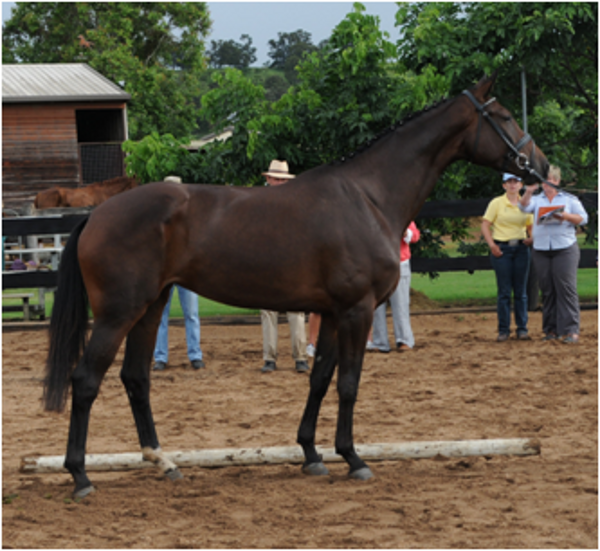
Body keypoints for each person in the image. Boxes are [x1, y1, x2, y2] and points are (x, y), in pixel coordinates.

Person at [519, 165, 588, 344]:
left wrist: (565, 216)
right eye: (544, 180)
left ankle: (571, 330)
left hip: (565, 248)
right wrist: (528, 191)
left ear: (557, 181)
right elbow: (523, 207)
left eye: (550, 180)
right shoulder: (536, 199)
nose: (547, 184)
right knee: (547, 289)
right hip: (541, 249)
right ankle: (551, 329)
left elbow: (583, 218)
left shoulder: (569, 199)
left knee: (566, 288)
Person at [260, 160, 310, 373]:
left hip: (291, 263)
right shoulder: (260, 204)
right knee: (267, 311)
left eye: (282, 179)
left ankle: (300, 356)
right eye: (276, 178)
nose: (279, 182)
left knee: (296, 311)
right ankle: (269, 358)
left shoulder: (296, 204)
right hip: (268, 262)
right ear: (269, 179)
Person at [153, 175, 205, 371]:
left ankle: (194, 354)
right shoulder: (158, 218)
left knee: (191, 313)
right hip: (165, 270)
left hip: (185, 270)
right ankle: (161, 356)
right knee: (162, 315)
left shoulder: (189, 217)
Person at [481, 173, 534, 342]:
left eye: (516, 181)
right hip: (502, 248)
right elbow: (485, 224)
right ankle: (503, 329)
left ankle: (522, 328)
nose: (513, 185)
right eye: (509, 182)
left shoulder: (525, 204)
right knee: (504, 291)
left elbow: (530, 225)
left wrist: (532, 237)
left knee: (521, 291)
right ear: (504, 185)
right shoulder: (497, 203)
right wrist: (492, 245)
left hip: (520, 248)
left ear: (521, 185)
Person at [368, 221, 420, 352]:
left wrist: (406, 233)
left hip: (399, 262)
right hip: (378, 263)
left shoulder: (402, 214)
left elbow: (415, 236)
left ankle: (404, 340)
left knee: (400, 303)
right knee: (377, 306)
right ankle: (380, 341)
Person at [153, 285, 205, 370]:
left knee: (191, 315)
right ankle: (160, 358)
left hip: (186, 276)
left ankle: (195, 356)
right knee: (161, 316)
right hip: (166, 275)